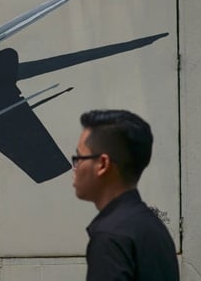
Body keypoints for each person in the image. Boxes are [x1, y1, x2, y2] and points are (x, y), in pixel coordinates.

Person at [72, 109, 179, 280]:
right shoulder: (153, 226)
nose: (75, 167)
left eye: (79, 158)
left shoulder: (110, 236)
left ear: (102, 164)